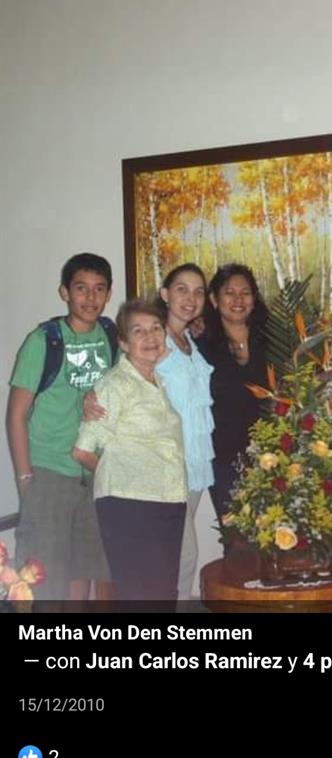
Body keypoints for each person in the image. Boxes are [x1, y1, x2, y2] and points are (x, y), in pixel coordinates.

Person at [7, 253, 115, 601]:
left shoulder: (110, 335)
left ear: (108, 294)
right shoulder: (44, 341)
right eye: (81, 288)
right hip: (50, 470)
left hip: (94, 473)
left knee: (85, 574)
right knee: (46, 581)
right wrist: (25, 479)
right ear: (64, 292)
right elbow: (16, 416)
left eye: (99, 289)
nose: (90, 298)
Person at [72, 299, 187, 602]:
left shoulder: (157, 381)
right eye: (138, 331)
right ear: (123, 342)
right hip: (130, 506)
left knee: (163, 595)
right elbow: (83, 451)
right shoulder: (113, 385)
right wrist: (122, 473)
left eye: (155, 328)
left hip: (167, 500)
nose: (150, 337)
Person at [157, 264, 214, 599]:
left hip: (194, 465)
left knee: (172, 557)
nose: (190, 298)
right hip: (168, 467)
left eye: (198, 291)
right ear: (165, 294)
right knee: (183, 557)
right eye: (181, 289)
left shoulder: (190, 339)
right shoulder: (153, 339)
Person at [198, 264, 268, 527]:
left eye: (245, 293)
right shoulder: (201, 345)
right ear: (214, 300)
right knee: (238, 538)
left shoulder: (272, 339)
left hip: (272, 455)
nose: (238, 300)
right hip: (224, 457)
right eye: (229, 293)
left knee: (279, 536)